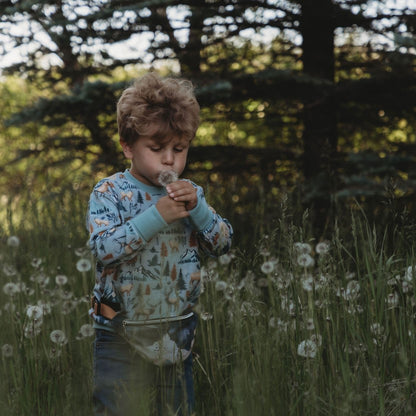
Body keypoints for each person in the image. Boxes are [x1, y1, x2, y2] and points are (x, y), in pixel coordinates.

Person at [86, 72, 233, 416]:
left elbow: (222, 243)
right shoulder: (109, 193)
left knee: (176, 409)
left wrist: (198, 209)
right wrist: (158, 215)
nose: (170, 159)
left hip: (176, 328)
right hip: (119, 330)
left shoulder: (190, 194)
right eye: (156, 148)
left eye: (179, 149)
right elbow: (104, 248)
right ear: (128, 146)